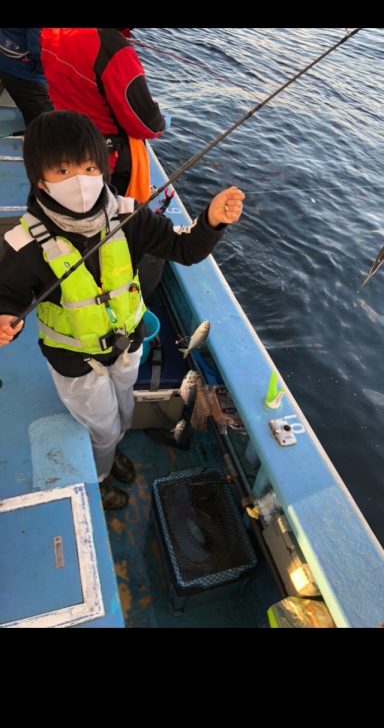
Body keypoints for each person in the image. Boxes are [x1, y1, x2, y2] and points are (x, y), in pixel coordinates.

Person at [0, 110, 244, 510]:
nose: (80, 179)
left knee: (124, 410)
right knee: (100, 425)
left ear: (103, 166)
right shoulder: (25, 241)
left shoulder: (128, 216)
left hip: (127, 344)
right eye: (63, 170)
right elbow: (6, 295)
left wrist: (211, 222)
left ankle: (111, 454)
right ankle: (99, 477)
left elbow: (183, 248)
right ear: (39, 180)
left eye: (89, 166)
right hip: (75, 360)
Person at [40, 27, 169, 196]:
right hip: (104, 158)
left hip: (66, 138)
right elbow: (144, 124)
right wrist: (162, 122)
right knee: (109, 213)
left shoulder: (52, 31)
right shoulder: (113, 48)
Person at [0, 28, 53, 126]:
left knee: (33, 114)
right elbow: (38, 52)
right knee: (44, 121)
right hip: (25, 75)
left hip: (8, 62)